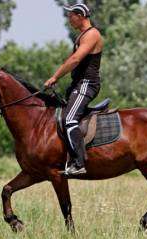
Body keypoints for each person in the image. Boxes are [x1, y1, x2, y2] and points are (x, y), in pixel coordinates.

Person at [44, 3, 103, 176]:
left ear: (80, 15)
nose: (69, 19)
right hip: (78, 84)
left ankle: (79, 163)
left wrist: (55, 77)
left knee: (69, 119)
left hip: (87, 84)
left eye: (71, 15)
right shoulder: (81, 36)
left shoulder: (92, 34)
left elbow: (75, 59)